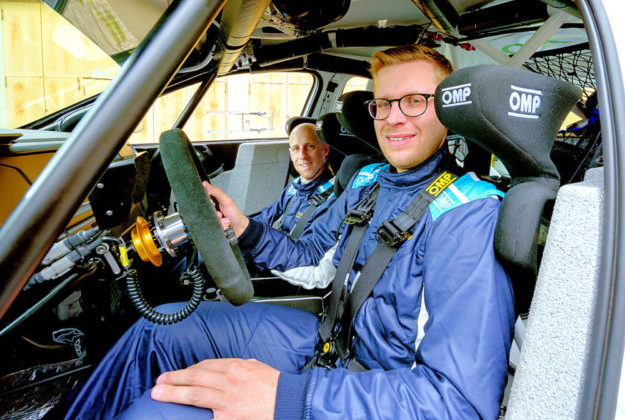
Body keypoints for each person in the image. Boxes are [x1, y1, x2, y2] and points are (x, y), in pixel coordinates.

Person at [65, 45, 515, 420]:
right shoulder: (370, 181)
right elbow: (316, 256)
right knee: (157, 329)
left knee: (156, 412)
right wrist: (246, 229)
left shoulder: (468, 214)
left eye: (415, 101)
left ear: (449, 110)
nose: (393, 118)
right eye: (382, 104)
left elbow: (457, 403)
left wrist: (290, 397)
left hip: (377, 390)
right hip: (329, 340)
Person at [253, 122, 334, 240]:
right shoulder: (294, 187)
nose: (302, 155)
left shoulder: (333, 195)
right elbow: (266, 217)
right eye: (296, 148)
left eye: (310, 146)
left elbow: (311, 250)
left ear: (325, 150)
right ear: (291, 155)